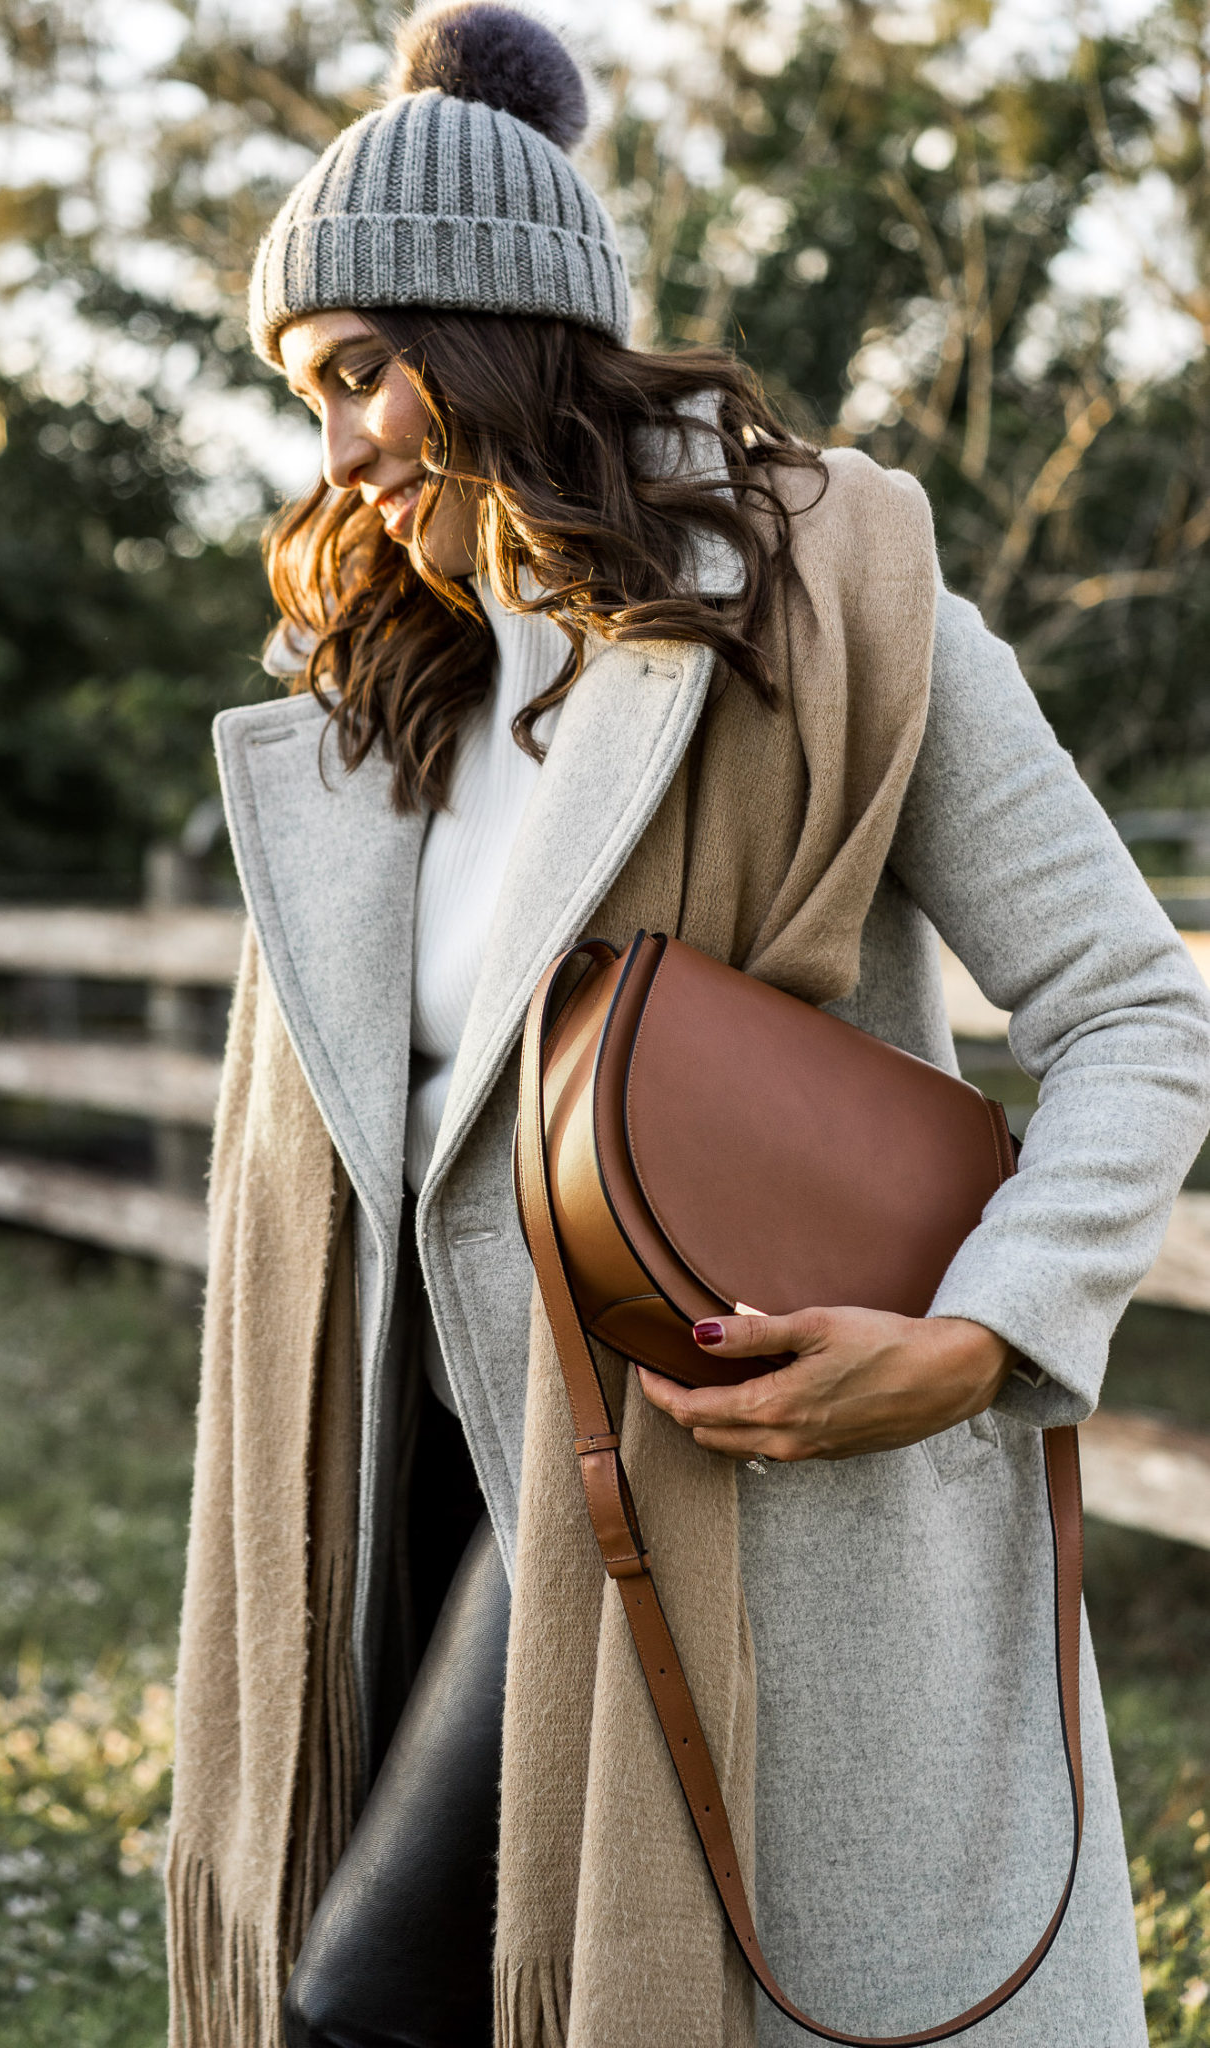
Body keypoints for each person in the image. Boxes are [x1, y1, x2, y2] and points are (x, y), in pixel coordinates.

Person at [164, 6, 1210, 2046]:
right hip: (393, 1469)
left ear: (494, 331)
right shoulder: (377, 709)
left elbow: (1128, 1010)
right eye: (308, 395)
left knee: (362, 2009)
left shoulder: (836, 607)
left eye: (362, 373)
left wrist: (981, 1335)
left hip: (694, 1467)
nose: (337, 449)